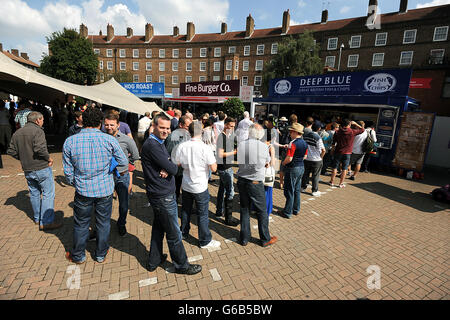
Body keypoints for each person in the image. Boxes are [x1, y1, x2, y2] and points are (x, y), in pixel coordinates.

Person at [63, 107, 128, 264]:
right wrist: (111, 169)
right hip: (104, 189)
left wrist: (76, 182)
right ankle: (100, 254)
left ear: (83, 121)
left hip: (83, 190)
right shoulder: (109, 140)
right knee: (103, 223)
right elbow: (124, 162)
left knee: (81, 224)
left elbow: (68, 172)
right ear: (100, 123)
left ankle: (78, 255)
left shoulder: (70, 141)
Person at [141, 113, 202, 275]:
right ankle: (182, 265)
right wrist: (170, 164)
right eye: (161, 127)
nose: (165, 131)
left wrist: (168, 163)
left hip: (159, 193)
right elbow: (174, 169)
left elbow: (170, 163)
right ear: (153, 126)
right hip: (162, 195)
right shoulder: (152, 145)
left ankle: (154, 259)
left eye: (168, 128)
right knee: (174, 233)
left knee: (159, 228)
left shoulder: (157, 142)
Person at [7, 111, 61, 230]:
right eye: (42, 120)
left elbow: (11, 151)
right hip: (41, 167)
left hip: (27, 168)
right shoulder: (38, 131)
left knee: (34, 193)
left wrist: (22, 158)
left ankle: (37, 219)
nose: (43, 122)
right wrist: (49, 158)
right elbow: (39, 149)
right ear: (37, 120)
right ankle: (46, 221)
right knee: (48, 194)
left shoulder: (18, 132)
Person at [174, 121, 220, 249]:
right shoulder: (205, 148)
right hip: (200, 186)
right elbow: (214, 168)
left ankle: (184, 232)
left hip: (187, 184)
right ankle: (204, 240)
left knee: (185, 210)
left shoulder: (182, 146)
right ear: (202, 132)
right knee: (202, 214)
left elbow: (177, 163)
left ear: (189, 132)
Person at [236, 124, 278, 247]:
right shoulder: (263, 147)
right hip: (255, 181)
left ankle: (244, 238)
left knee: (245, 209)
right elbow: (267, 163)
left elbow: (240, 161)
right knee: (262, 210)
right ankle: (265, 238)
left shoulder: (241, 144)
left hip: (242, 179)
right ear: (259, 134)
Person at [104, 112, 140, 236]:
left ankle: (121, 223)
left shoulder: (126, 139)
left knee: (124, 204)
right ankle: (103, 227)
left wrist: (125, 164)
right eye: (107, 125)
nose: (109, 127)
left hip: (122, 175)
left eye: (112, 125)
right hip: (106, 176)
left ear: (118, 125)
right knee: (104, 203)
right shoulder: (102, 137)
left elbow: (135, 155)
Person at [277, 123, 308, 219]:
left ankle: (287, 212)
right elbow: (305, 156)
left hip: (292, 168)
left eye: (291, 131)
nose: (290, 133)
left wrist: (283, 163)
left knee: (289, 190)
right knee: (297, 190)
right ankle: (296, 209)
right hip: (301, 167)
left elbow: (289, 158)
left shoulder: (293, 143)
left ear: (295, 132)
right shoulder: (304, 143)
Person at [215, 117, 239, 226]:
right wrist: (234, 153)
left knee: (222, 190)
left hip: (225, 167)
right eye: (231, 126)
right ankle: (228, 218)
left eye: (234, 126)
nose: (233, 128)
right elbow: (220, 154)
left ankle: (219, 211)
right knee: (230, 192)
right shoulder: (222, 137)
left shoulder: (228, 136)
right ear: (225, 125)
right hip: (225, 168)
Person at [329, 120, 365, 188]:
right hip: (347, 153)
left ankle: (332, 181)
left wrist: (332, 150)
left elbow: (333, 143)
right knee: (344, 168)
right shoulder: (352, 131)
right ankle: (341, 183)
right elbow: (362, 130)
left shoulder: (337, 132)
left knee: (335, 167)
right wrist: (356, 124)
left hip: (338, 151)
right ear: (349, 125)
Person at [165, 115, 192, 200]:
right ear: (180, 125)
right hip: (176, 171)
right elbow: (169, 155)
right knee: (174, 192)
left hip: (182, 171)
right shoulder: (174, 137)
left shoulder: (185, 135)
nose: (189, 128)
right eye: (188, 126)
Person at [301, 121, 326, 196]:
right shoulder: (318, 137)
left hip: (307, 158)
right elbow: (323, 150)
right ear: (319, 128)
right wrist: (321, 157)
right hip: (316, 159)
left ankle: (303, 187)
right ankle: (314, 190)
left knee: (306, 174)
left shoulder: (306, 135)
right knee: (315, 175)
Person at [278, 114, 297, 189]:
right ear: (296, 120)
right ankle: (287, 182)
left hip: (284, 147)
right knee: (290, 165)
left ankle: (281, 183)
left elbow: (282, 136)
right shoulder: (295, 128)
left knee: (282, 165)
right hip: (292, 148)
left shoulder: (286, 127)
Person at [0, 101, 12, 168]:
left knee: (8, 138)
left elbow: (9, 116)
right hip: (1, 125)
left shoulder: (6, 110)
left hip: (7, 125)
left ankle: (8, 150)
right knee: (1, 139)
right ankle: (3, 149)